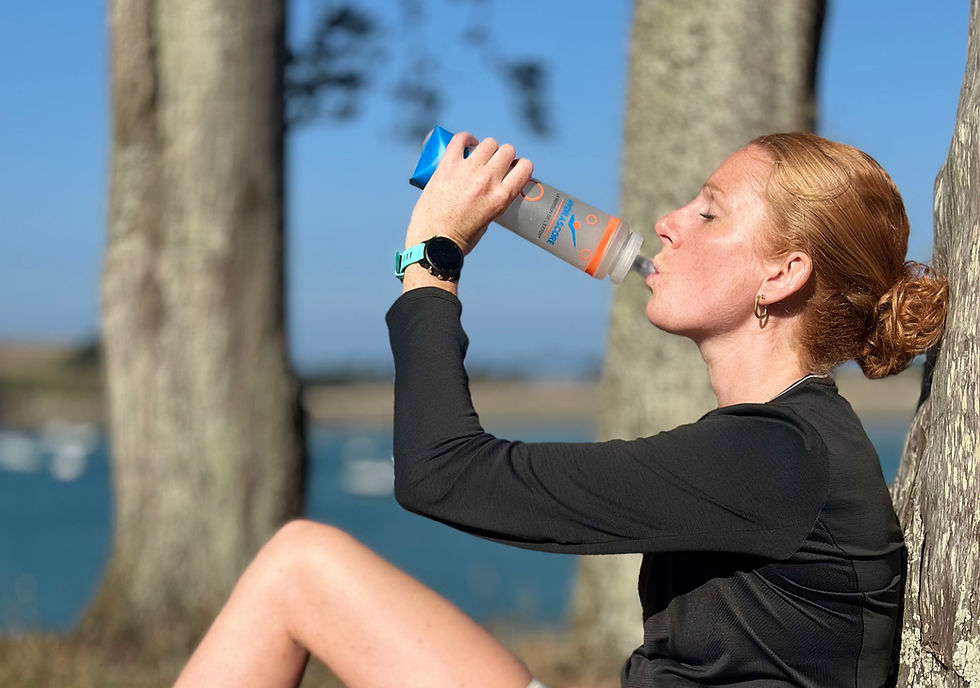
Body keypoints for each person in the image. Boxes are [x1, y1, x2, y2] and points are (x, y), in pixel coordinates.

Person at [174, 131, 948, 688]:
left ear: (781, 275)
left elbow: (442, 473)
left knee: (298, 569)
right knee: (300, 569)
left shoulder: (778, 459)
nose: (670, 221)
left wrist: (432, 262)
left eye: (709, 213)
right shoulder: (784, 445)